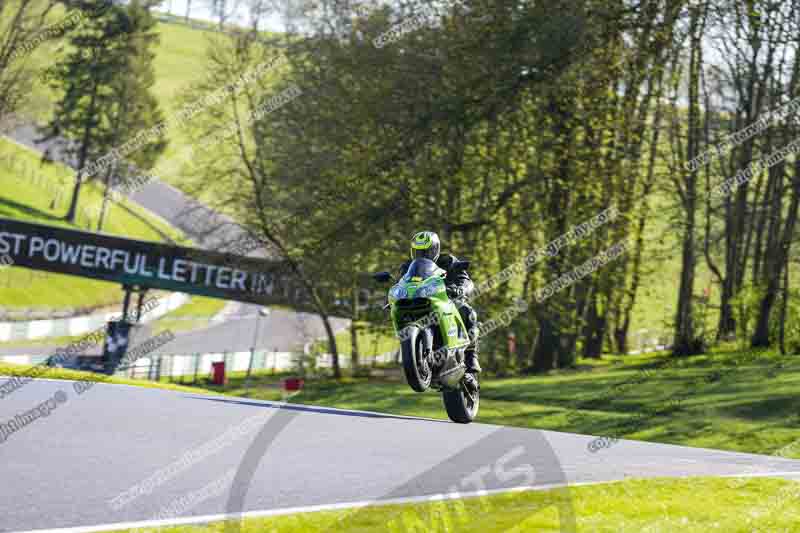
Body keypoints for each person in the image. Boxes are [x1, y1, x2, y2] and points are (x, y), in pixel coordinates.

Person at [398, 231, 481, 374]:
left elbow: (465, 279)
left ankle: (471, 355)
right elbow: (400, 284)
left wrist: (461, 288)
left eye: (426, 251)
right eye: (418, 252)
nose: (422, 255)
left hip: (446, 299)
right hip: (419, 301)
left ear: (435, 249)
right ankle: (415, 355)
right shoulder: (408, 267)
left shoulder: (448, 261)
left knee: (467, 312)